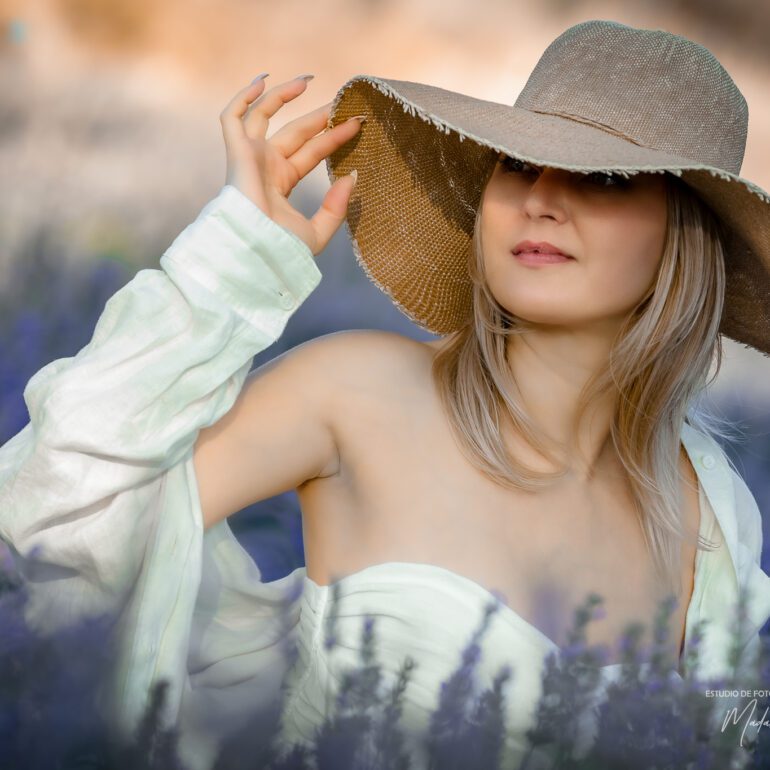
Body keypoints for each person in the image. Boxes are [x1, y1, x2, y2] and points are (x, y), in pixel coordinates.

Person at [1, 17, 769, 770]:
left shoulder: (709, 512)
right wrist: (226, 268)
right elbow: (48, 523)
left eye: (602, 176)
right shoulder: (358, 392)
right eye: (516, 164)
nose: (540, 198)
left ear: (684, 234)